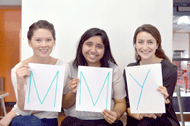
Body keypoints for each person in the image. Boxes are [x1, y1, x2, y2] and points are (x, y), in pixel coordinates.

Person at [0, 20, 65, 126]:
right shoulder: (18, 70)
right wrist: (20, 85)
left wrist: (12, 114)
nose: (44, 45)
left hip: (49, 118)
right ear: (30, 42)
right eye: (38, 40)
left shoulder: (62, 67)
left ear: (54, 41)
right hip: (25, 118)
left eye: (48, 40)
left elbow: (55, 103)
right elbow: (24, 109)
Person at [61, 28, 126, 126]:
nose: (93, 50)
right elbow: (65, 105)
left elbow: (120, 102)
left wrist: (116, 114)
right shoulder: (70, 67)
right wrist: (73, 92)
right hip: (75, 120)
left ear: (105, 49)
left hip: (104, 120)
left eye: (99, 46)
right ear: (81, 45)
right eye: (89, 44)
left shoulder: (113, 70)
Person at [123, 24, 180, 126]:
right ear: (135, 44)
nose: (145, 47)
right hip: (136, 117)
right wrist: (139, 114)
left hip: (161, 118)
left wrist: (163, 100)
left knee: (146, 122)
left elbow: (159, 112)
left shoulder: (169, 69)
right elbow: (127, 105)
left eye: (150, 42)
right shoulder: (130, 69)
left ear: (157, 45)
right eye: (140, 42)